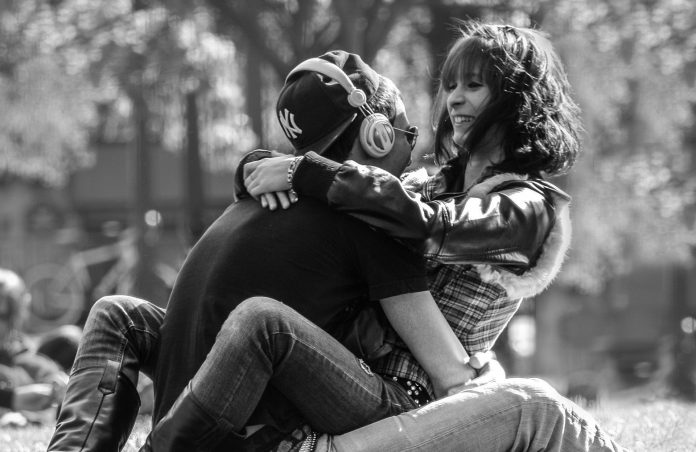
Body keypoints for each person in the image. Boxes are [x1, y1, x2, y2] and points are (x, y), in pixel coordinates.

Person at [49, 50, 483, 452]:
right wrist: (487, 375)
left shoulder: (259, 196)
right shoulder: (373, 220)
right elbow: (448, 371)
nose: (413, 151)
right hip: (255, 428)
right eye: (407, 133)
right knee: (265, 323)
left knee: (117, 313)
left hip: (194, 409)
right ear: (378, 136)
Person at [239, 21, 625, 451]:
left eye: (474, 85)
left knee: (540, 405)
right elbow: (360, 201)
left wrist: (304, 171)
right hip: (347, 384)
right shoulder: (428, 185)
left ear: (517, 100)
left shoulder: (527, 210)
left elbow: (430, 227)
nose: (454, 98)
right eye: (451, 85)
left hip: (420, 407)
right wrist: (254, 168)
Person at [0, 268, 72, 414]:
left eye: (4, 316)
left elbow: (24, 356)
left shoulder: (15, 343)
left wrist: (54, 380)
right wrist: (12, 399)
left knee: (69, 338)